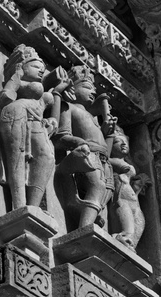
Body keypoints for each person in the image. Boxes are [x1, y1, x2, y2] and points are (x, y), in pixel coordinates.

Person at [0, 45, 62, 209]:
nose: (40, 71)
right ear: (21, 66)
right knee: (17, 158)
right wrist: (16, 76)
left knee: (47, 157)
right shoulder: (18, 80)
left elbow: (52, 112)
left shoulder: (41, 92)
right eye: (35, 67)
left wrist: (58, 93)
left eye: (42, 68)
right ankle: (19, 205)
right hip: (16, 113)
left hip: (36, 121)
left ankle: (33, 206)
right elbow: (4, 98)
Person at [53, 65, 117, 228]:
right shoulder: (69, 108)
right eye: (87, 87)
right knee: (97, 187)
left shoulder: (94, 119)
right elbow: (60, 137)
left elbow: (106, 152)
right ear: (72, 90)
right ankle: (84, 229)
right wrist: (79, 142)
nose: (93, 92)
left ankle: (89, 222)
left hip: (103, 162)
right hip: (85, 157)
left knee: (104, 195)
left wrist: (108, 133)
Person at [108, 130, 150, 251]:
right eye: (117, 141)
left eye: (125, 142)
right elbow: (102, 158)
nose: (123, 144)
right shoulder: (110, 160)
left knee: (138, 227)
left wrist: (138, 187)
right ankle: (119, 243)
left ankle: (130, 252)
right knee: (127, 232)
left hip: (134, 201)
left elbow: (131, 185)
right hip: (121, 199)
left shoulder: (127, 164)